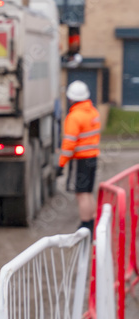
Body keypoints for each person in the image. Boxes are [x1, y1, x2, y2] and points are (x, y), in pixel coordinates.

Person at [58, 80, 101, 232]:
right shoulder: (93, 112)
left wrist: (61, 163)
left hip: (80, 160)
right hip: (92, 158)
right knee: (88, 192)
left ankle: (85, 225)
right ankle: (94, 222)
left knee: (81, 194)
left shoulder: (74, 117)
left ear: (71, 98)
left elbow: (69, 145)